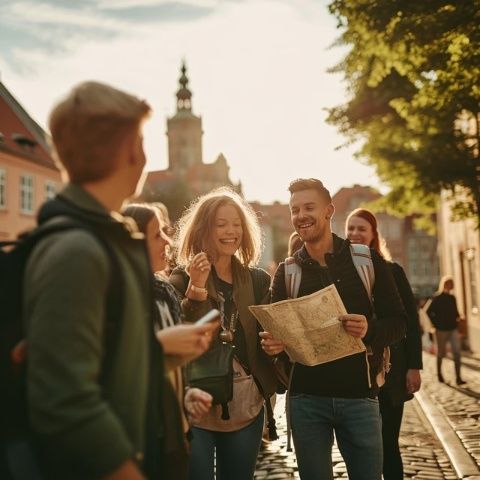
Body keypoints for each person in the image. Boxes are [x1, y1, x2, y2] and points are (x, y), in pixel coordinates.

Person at [23, 81, 217, 479]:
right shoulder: (78, 249)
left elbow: (96, 363)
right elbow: (66, 398)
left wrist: (158, 356)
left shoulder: (102, 237)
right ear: (131, 149)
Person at [261, 178, 406, 480]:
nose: (301, 215)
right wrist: (274, 347)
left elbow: (399, 323)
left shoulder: (365, 260)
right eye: (295, 209)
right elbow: (277, 335)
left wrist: (370, 329)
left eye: (309, 207)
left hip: (360, 398)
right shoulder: (287, 273)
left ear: (329, 211)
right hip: (306, 401)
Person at [169, 187, 278, 480]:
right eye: (221, 224)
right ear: (204, 230)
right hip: (196, 403)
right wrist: (197, 288)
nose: (231, 231)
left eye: (236, 224)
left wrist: (275, 343)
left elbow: (271, 333)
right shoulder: (180, 277)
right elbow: (183, 336)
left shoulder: (257, 280)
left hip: (245, 403)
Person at [123, 203, 215, 479]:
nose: (168, 240)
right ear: (133, 243)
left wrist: (185, 394)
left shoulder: (162, 290)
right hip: (138, 437)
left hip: (174, 434)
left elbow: (169, 367)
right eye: (157, 234)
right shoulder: (117, 294)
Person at [346, 207, 422, 480]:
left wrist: (414, 366)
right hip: (354, 374)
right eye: (351, 228)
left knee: (388, 445)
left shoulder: (392, 270)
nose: (355, 234)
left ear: (373, 235)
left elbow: (411, 323)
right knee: (360, 449)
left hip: (391, 372)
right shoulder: (340, 274)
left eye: (361, 229)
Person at [427, 276, 465, 385]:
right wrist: (436, 324)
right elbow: (429, 312)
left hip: (453, 329)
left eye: (452, 284)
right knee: (441, 353)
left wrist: (460, 318)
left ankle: (458, 378)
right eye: (449, 284)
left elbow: (456, 313)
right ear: (444, 284)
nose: (451, 286)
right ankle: (439, 375)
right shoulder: (437, 297)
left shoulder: (452, 298)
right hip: (441, 330)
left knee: (457, 353)